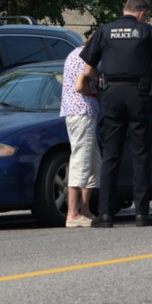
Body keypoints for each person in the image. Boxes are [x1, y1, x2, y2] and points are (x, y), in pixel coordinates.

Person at [79, 0, 152, 228]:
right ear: (142, 13)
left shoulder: (104, 30)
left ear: (125, 9)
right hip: (139, 96)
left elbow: (88, 70)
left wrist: (101, 85)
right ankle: (141, 214)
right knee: (141, 154)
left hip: (111, 96)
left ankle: (105, 215)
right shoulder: (146, 32)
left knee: (110, 155)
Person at [60, 38, 101, 228]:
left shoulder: (74, 53)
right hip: (81, 112)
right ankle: (73, 213)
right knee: (81, 161)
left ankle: (85, 210)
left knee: (93, 160)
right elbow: (79, 86)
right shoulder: (86, 57)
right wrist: (93, 93)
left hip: (77, 113)